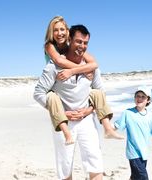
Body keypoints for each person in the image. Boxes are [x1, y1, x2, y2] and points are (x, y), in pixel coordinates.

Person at [34, 24, 104, 179]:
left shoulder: (91, 68)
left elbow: (99, 92)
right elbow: (38, 93)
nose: (82, 46)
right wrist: (61, 113)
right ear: (69, 40)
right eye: (78, 42)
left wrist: (89, 110)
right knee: (65, 168)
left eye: (85, 43)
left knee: (96, 164)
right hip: (64, 122)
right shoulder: (53, 66)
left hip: (87, 120)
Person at [44, 16, 123, 145]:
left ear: (68, 32)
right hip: (56, 83)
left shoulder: (74, 46)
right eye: (56, 30)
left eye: (62, 29)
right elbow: (59, 61)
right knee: (52, 98)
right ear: (51, 32)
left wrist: (78, 70)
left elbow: (94, 64)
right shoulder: (49, 45)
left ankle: (108, 129)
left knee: (97, 93)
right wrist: (81, 69)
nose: (60, 33)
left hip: (72, 86)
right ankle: (66, 133)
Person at [114, 86, 152, 180]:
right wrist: (107, 127)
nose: (139, 98)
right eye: (137, 96)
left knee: (135, 176)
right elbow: (116, 126)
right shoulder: (128, 113)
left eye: (143, 97)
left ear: (148, 100)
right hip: (133, 152)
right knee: (143, 176)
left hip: (144, 152)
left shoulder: (151, 116)